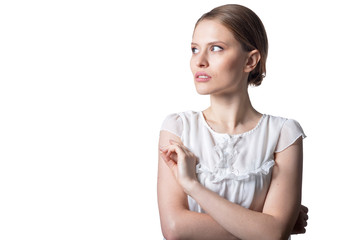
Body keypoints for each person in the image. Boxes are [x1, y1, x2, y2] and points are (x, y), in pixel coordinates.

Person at [157, 4, 308, 240]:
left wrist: (192, 185)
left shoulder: (284, 134)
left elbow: (274, 234)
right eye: (195, 49)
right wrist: (262, 225)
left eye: (216, 48)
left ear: (250, 61)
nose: (199, 61)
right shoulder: (177, 129)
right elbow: (174, 228)